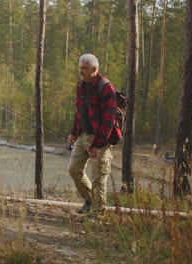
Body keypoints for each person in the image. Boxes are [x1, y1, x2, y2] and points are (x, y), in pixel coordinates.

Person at [67, 54, 117, 219]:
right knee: (74, 170)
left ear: (94, 69)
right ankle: (90, 201)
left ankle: (98, 214)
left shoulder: (105, 87)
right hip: (82, 136)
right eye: (80, 67)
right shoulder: (81, 85)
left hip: (100, 139)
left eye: (84, 68)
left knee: (98, 178)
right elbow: (79, 112)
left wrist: (97, 145)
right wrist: (74, 133)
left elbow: (108, 120)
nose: (81, 71)